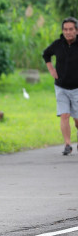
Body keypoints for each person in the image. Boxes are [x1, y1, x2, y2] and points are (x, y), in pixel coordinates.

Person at [43, 16, 78, 155]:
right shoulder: (57, 44)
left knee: (76, 121)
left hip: (77, 88)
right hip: (61, 87)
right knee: (64, 115)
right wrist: (51, 69)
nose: (68, 32)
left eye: (71, 29)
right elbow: (46, 54)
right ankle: (67, 144)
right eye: (65, 29)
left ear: (76, 31)